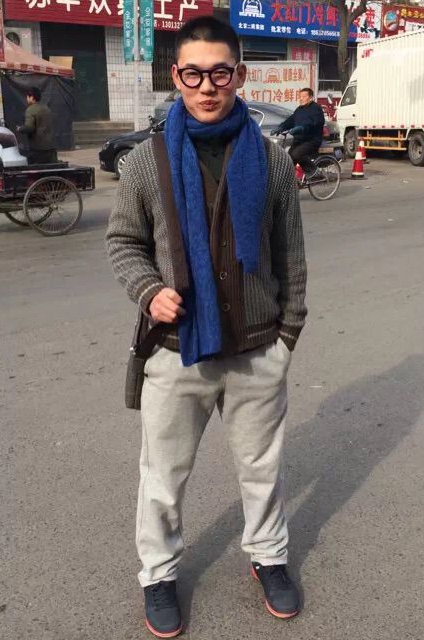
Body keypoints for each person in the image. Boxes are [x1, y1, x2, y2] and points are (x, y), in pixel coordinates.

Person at [106, 16, 307, 639]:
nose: (207, 86)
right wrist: (149, 292)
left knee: (262, 470)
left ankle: (268, 557)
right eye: (193, 74)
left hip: (257, 348)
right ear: (177, 76)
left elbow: (290, 256)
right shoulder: (146, 162)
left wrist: (287, 336)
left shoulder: (272, 161)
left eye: (220, 72)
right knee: (162, 478)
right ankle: (159, 573)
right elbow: (123, 243)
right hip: (176, 350)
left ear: (239, 75)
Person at [272, 87, 325, 175]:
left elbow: (314, 123)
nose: (301, 98)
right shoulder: (299, 109)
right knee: (288, 159)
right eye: (300, 96)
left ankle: (314, 172)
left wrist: (302, 128)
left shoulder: (316, 108)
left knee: (295, 155)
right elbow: (291, 120)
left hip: (311, 140)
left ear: (310, 97)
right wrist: (281, 127)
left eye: (304, 96)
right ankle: (289, 179)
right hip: (299, 140)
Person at [17, 87, 57, 164]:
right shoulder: (47, 108)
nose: (27, 99)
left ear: (32, 97)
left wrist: (20, 128)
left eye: (27, 97)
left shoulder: (30, 110)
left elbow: (29, 127)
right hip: (50, 148)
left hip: (37, 149)